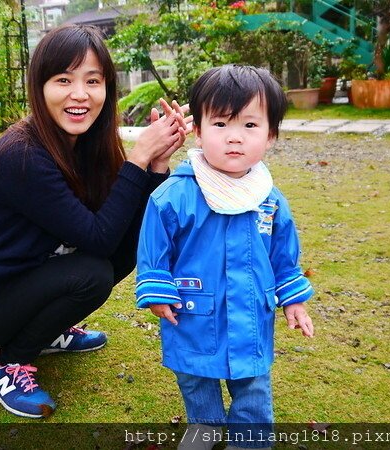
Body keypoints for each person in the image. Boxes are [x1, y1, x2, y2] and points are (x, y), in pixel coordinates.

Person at [0, 24, 189, 419]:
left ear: (107, 89)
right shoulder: (22, 153)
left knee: (128, 248)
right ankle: (4, 365)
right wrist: (137, 160)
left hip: (19, 277)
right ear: (39, 86)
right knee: (93, 271)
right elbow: (96, 240)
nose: (79, 94)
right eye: (64, 79)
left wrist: (157, 164)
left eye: (92, 81)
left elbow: (123, 227)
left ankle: (45, 330)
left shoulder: (86, 145)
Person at [135, 65, 315, 450]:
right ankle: (205, 428)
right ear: (198, 131)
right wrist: (157, 290)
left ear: (271, 135)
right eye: (220, 124)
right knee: (196, 379)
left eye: (250, 126)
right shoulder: (174, 195)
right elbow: (154, 251)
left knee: (252, 385)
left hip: (251, 315)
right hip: (192, 312)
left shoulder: (269, 198)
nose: (234, 138)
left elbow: (284, 257)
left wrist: (294, 299)